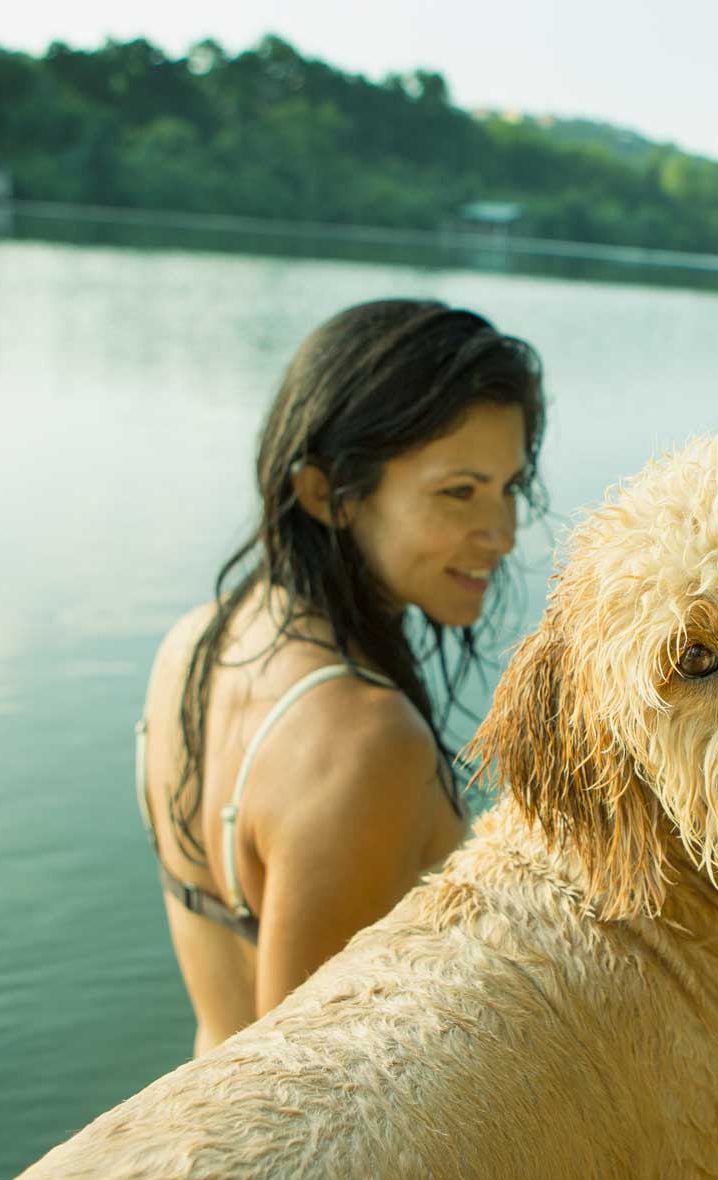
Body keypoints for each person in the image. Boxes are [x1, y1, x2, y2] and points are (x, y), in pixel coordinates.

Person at [135, 299, 546, 1055]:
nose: (504, 533)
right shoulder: (366, 743)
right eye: (459, 491)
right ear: (328, 494)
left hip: (196, 1094)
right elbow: (305, 1080)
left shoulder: (193, 641)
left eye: (509, 487)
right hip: (308, 1161)